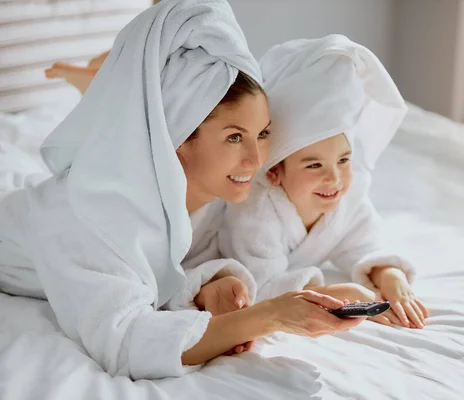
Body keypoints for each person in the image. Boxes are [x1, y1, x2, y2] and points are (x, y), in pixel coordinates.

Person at [0, 1, 363, 381]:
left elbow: (168, 267)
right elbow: (124, 342)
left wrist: (212, 285)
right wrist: (269, 317)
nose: (256, 159)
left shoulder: (209, 199)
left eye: (263, 134)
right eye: (235, 137)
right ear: (176, 138)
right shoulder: (94, 217)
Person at [218, 35, 429, 329]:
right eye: (314, 164)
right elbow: (264, 287)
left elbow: (364, 245)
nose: (334, 178)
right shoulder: (255, 211)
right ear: (274, 172)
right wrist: (337, 295)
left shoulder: (348, 197)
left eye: (343, 160)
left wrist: (390, 276)